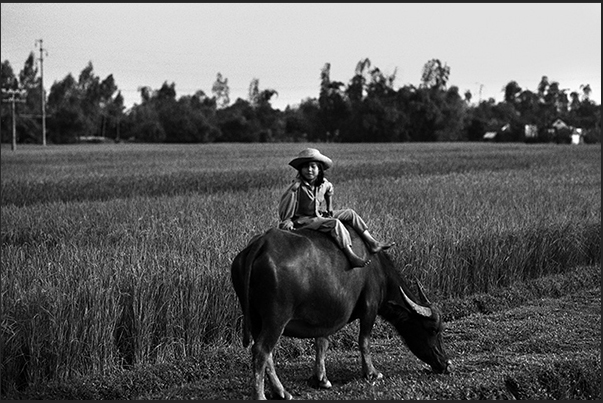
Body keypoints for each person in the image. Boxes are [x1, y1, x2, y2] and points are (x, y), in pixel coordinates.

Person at [278, 148, 395, 268]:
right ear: (300, 170)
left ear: (319, 169)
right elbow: (286, 205)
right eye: (305, 167)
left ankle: (372, 242)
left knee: (350, 213)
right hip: (304, 219)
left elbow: (330, 190)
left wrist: (330, 208)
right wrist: (287, 220)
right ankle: (350, 255)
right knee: (335, 223)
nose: (309, 170)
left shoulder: (324, 183)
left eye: (313, 166)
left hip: (318, 214)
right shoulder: (296, 187)